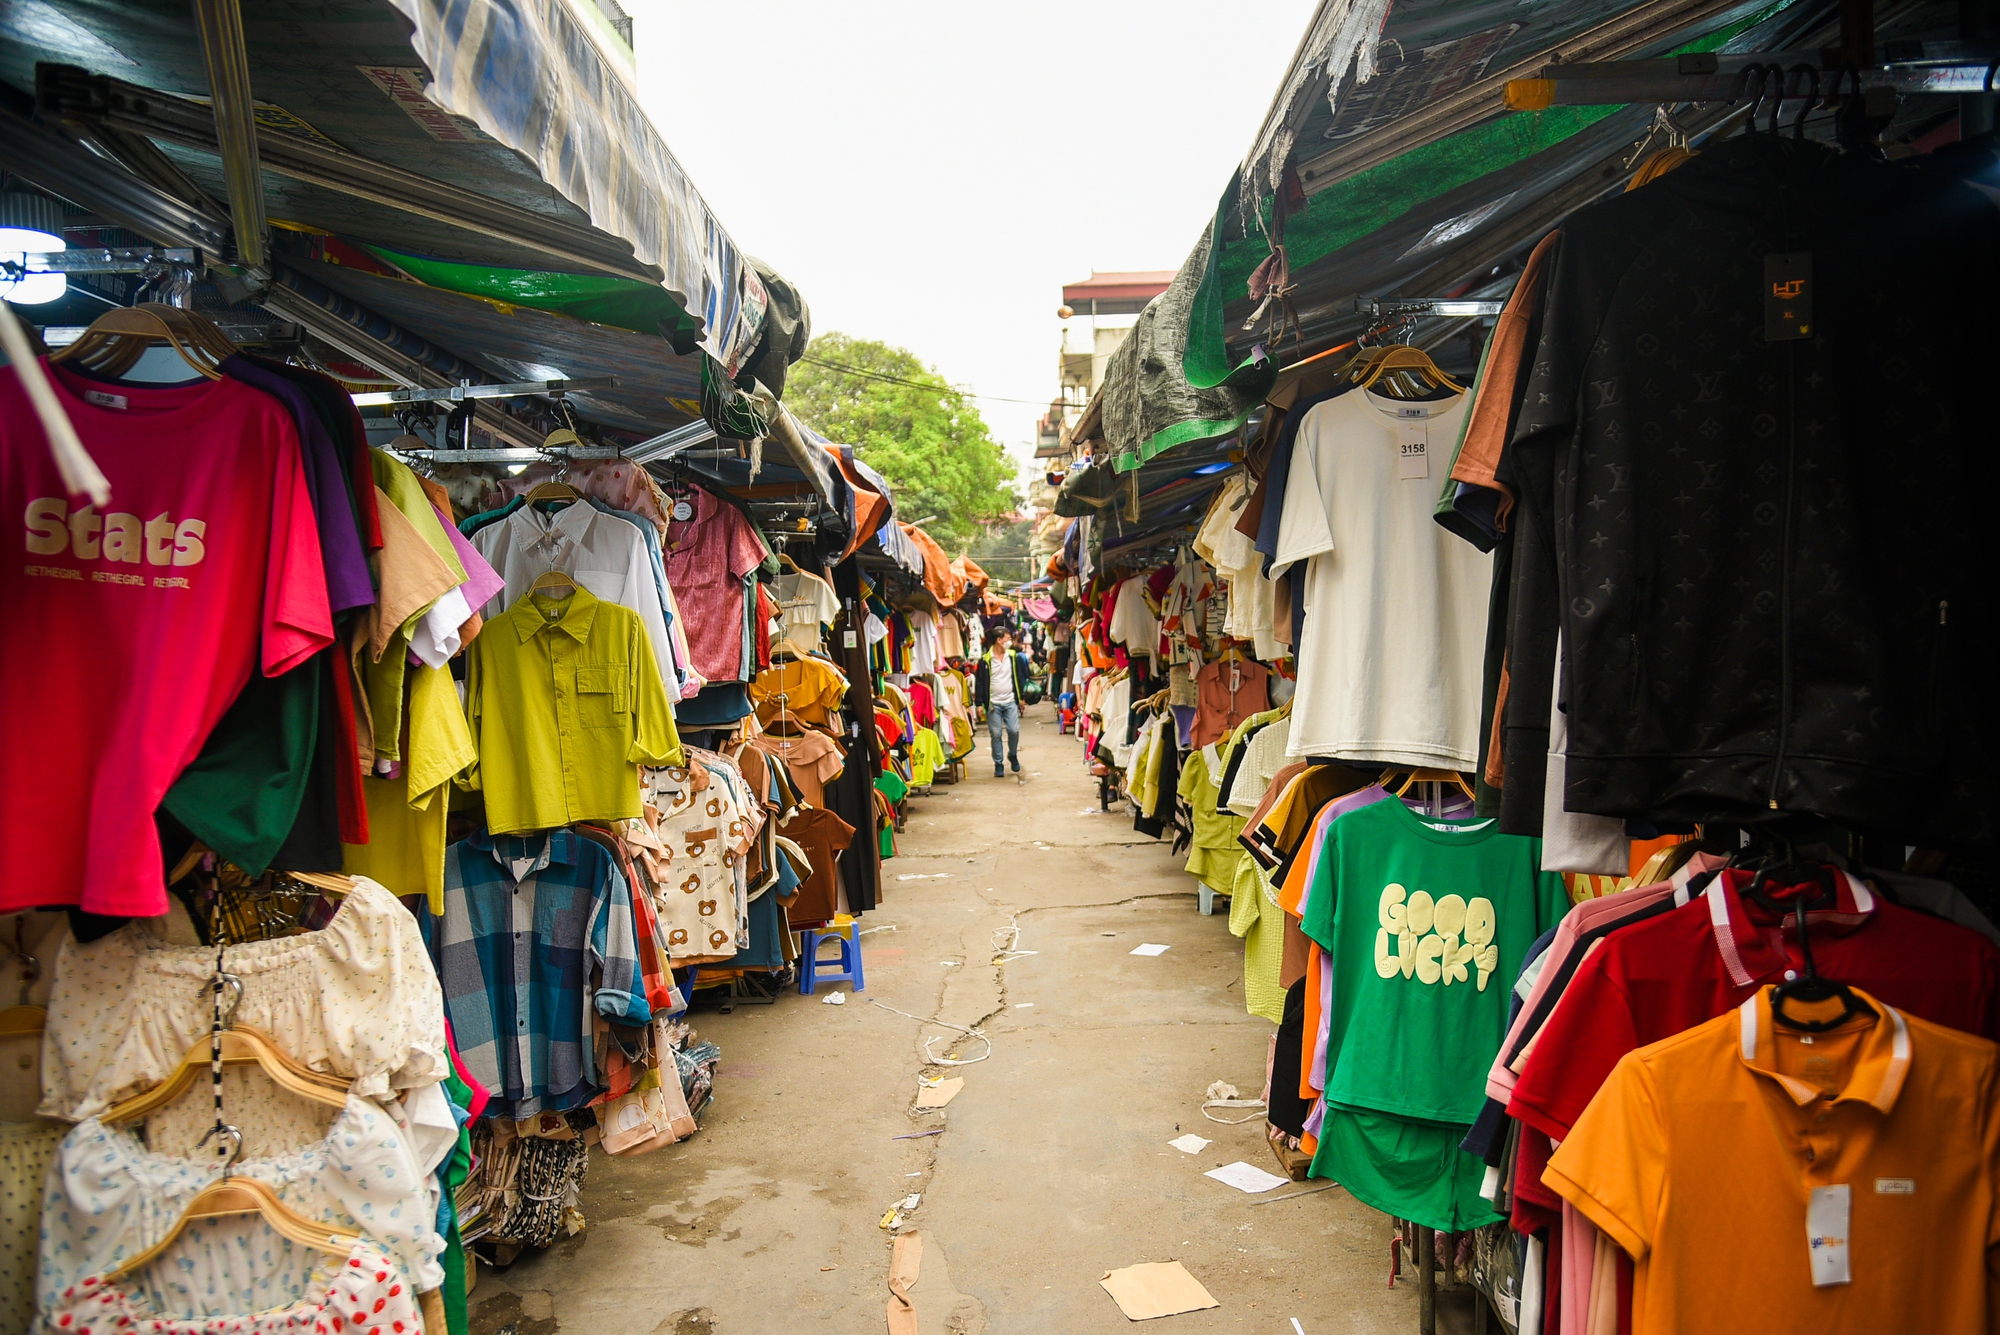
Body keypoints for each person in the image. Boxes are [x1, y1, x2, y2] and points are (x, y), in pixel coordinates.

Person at [974, 629, 1033, 777]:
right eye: (1007, 638)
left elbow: (1019, 677)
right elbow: (980, 683)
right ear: (999, 640)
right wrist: (980, 704)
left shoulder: (1013, 657)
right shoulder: (985, 660)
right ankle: (998, 763)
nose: (1010, 641)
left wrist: (1021, 698)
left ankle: (1012, 755)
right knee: (996, 733)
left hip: (1010, 701)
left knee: (1014, 730)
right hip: (993, 703)